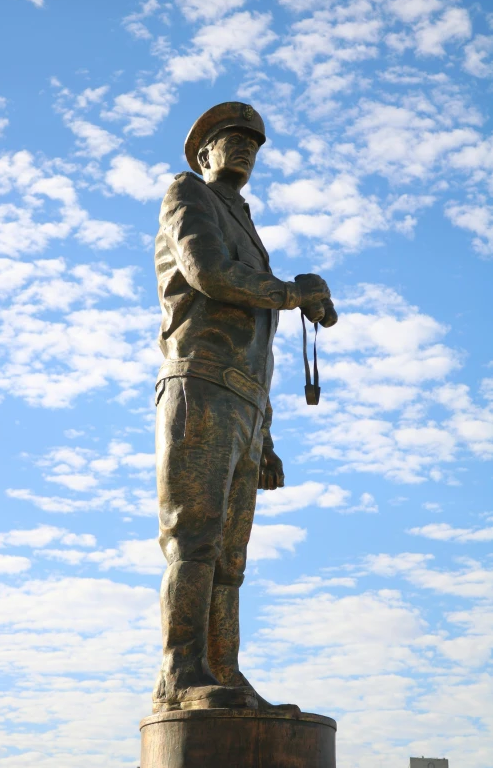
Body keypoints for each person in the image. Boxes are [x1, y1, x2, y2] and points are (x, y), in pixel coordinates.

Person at [153, 101, 336, 712]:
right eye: (229, 140)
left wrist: (266, 438)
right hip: (199, 384)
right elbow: (207, 273)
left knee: (231, 554)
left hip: (245, 401)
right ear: (203, 154)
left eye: (252, 145)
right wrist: (291, 292)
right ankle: (181, 675)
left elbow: (257, 341)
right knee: (194, 538)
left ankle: (222, 671)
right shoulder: (188, 194)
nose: (243, 150)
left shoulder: (247, 225)